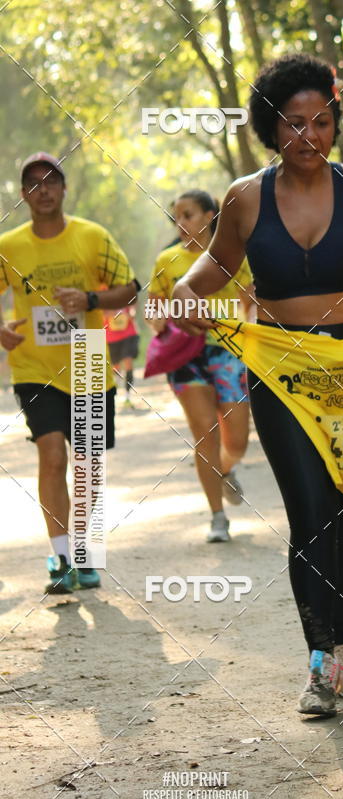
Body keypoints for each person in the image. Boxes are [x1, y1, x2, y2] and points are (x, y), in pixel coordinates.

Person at [171, 54, 343, 716]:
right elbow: (211, 270)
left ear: (335, 125)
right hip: (281, 370)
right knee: (311, 512)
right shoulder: (244, 198)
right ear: (271, 125)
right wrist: (183, 291)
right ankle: (319, 662)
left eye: (321, 122)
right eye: (294, 123)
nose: (309, 136)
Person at [0, 152, 138, 593]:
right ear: (23, 195)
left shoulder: (92, 236)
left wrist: (90, 300)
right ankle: (61, 558)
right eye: (33, 184)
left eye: (51, 181)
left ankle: (83, 551)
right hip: (33, 367)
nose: (43, 190)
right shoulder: (9, 246)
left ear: (64, 188)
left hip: (88, 361)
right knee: (52, 456)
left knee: (86, 465)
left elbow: (131, 290)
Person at [146, 189, 254, 543]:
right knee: (205, 431)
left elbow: (251, 304)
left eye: (188, 215)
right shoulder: (167, 260)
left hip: (229, 353)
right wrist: (158, 320)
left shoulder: (233, 255)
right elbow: (153, 308)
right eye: (176, 217)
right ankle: (217, 517)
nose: (180, 223)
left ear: (210, 216)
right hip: (185, 356)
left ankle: (225, 469)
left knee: (237, 441)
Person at [104, 302, 139, 408]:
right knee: (115, 367)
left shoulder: (126, 294)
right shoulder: (104, 294)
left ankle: (128, 396)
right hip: (111, 337)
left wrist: (131, 314)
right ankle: (115, 391)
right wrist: (110, 313)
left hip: (128, 335)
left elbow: (133, 308)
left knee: (128, 362)